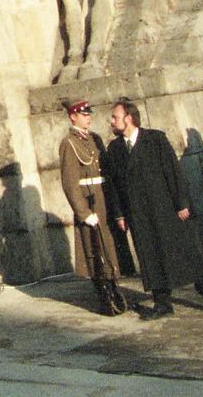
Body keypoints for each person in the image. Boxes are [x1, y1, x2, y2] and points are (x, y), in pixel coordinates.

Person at [103, 98, 203, 319]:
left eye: (115, 117)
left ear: (129, 118)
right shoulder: (115, 148)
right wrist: (119, 214)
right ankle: (162, 303)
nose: (111, 121)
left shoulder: (155, 139)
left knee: (183, 252)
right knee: (150, 256)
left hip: (164, 208)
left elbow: (173, 172)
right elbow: (115, 185)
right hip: (138, 213)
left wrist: (182, 203)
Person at [57, 100, 125, 315]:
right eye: (83, 114)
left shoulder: (95, 139)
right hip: (89, 202)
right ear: (73, 117)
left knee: (109, 247)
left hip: (103, 199)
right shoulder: (69, 143)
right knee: (94, 249)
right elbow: (70, 183)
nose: (88, 118)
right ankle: (104, 293)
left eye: (89, 114)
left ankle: (114, 286)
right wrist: (83, 213)